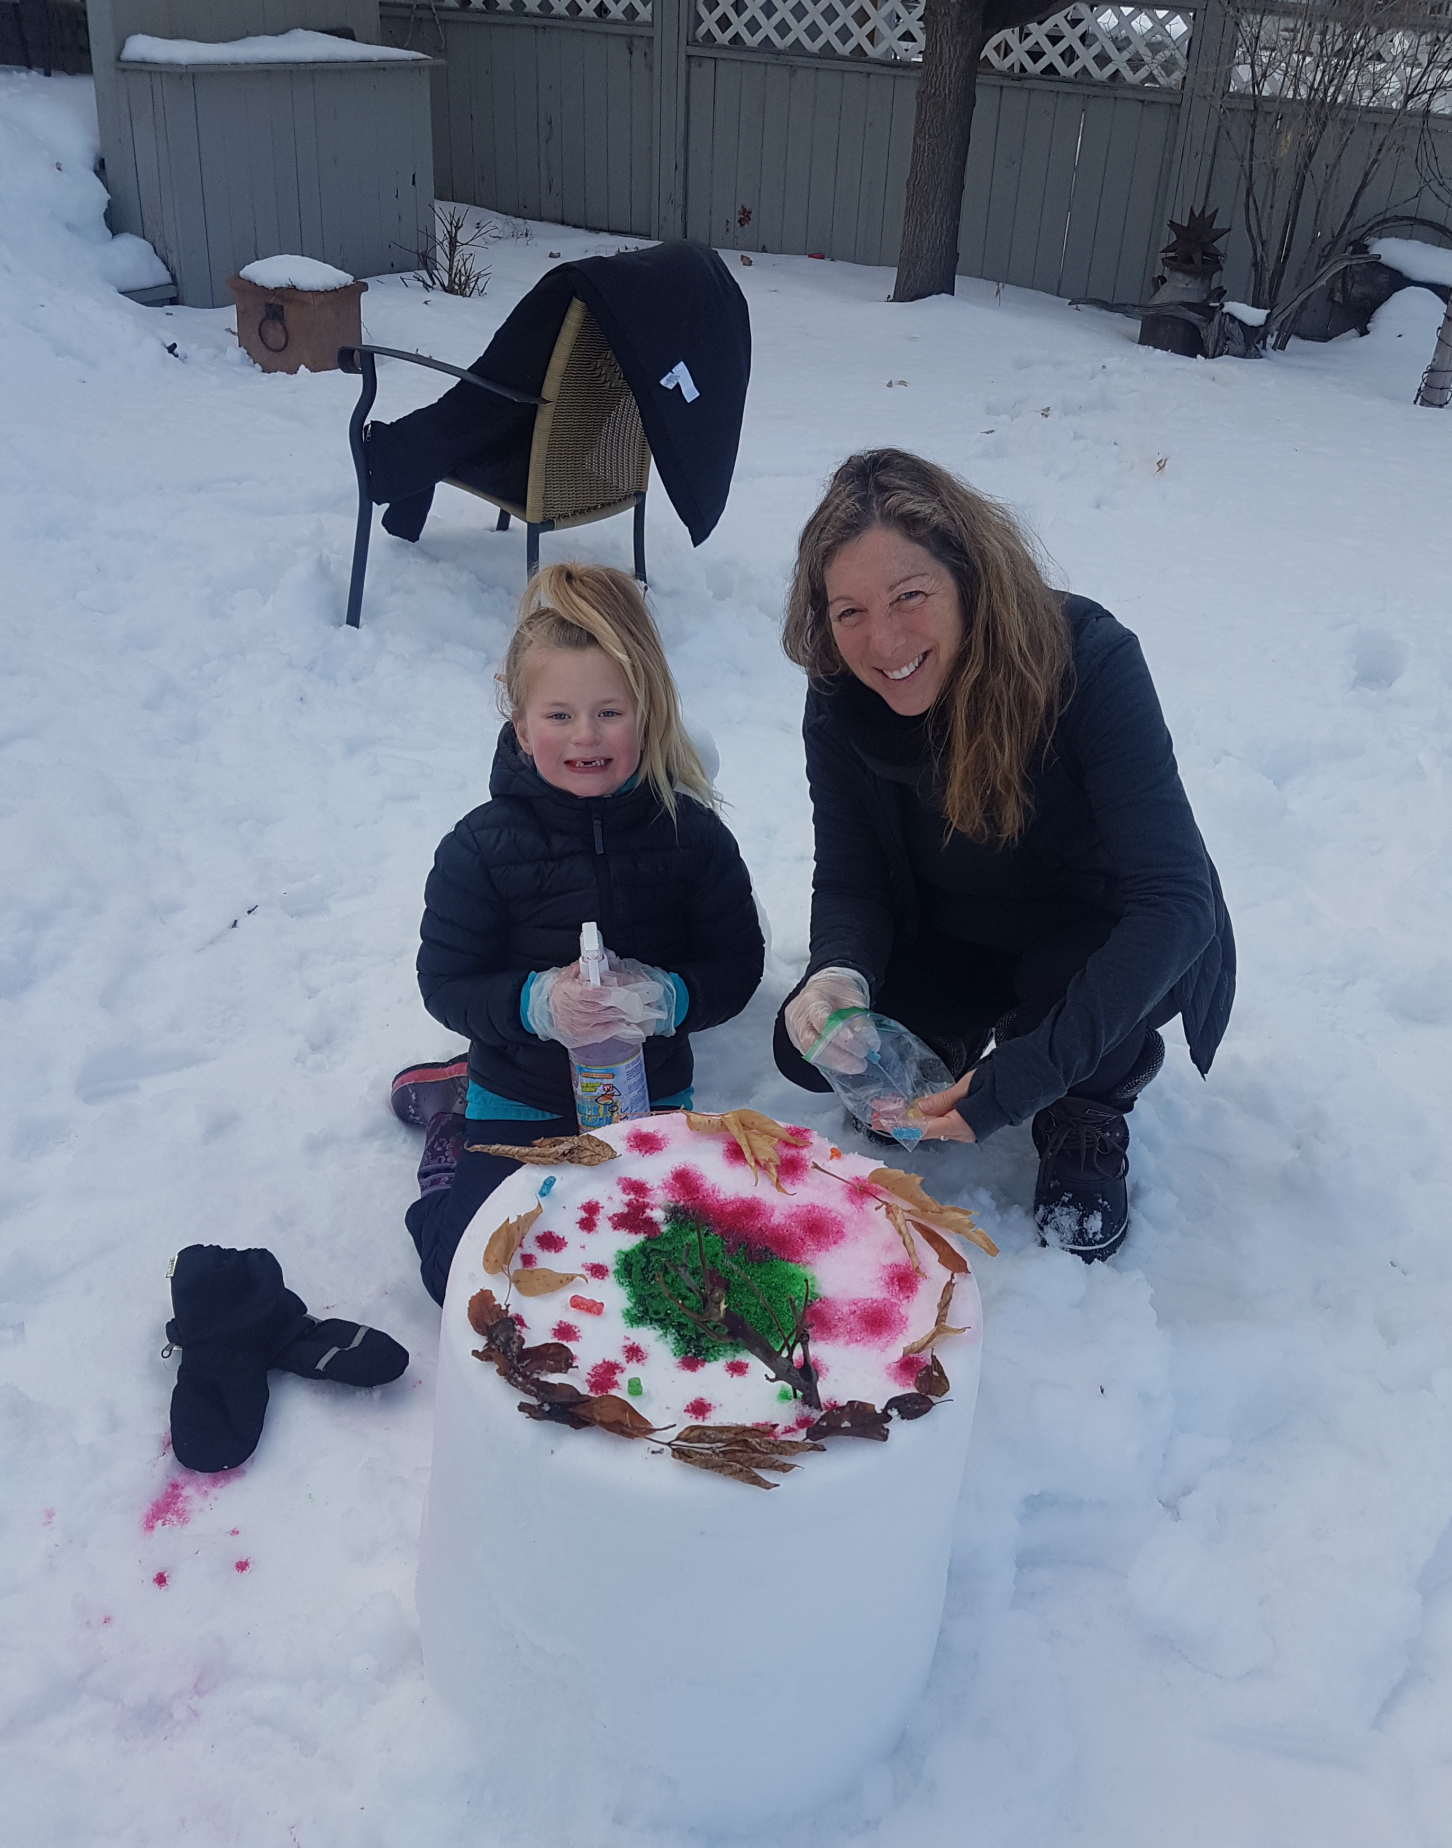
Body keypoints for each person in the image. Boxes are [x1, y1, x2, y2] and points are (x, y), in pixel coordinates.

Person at [773, 450, 1234, 1261]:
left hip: (1092, 935)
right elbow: (851, 875)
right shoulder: (841, 694)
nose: (882, 640)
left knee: (1071, 987)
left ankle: (1087, 1104)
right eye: (848, 610)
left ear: (968, 575)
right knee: (810, 1047)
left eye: (910, 595)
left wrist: (1026, 1077)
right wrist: (836, 974)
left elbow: (1177, 902)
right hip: (952, 929)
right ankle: (939, 1044)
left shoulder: (1087, 660)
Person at [393, 562, 765, 1303]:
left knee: (669, 1280)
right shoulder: (478, 847)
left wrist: (670, 997)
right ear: (520, 720)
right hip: (517, 1100)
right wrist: (537, 1005)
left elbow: (737, 961)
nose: (585, 736)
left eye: (610, 712)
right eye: (559, 715)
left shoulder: (692, 836)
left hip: (648, 1096)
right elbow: (447, 982)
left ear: (648, 710)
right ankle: (450, 1147)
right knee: (470, 1277)